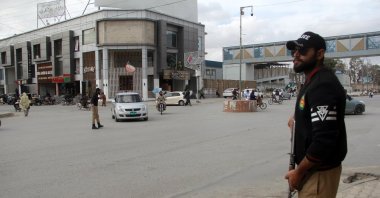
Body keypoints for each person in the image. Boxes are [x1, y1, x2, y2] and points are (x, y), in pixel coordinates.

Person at [284, 31, 347, 198]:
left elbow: (323, 141)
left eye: (302, 51)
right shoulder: (313, 80)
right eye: (294, 51)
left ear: (320, 54)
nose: (296, 55)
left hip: (318, 176)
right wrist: (298, 117)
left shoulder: (323, 84)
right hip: (313, 174)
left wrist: (298, 173)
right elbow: (312, 107)